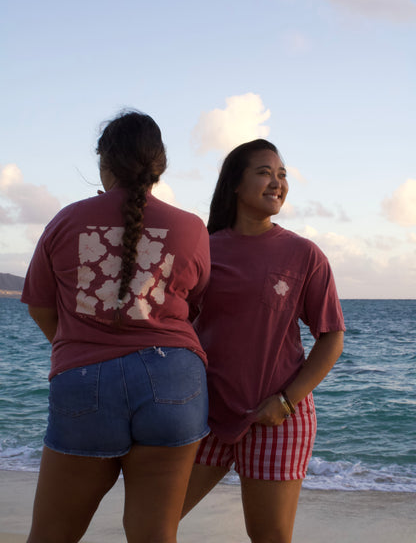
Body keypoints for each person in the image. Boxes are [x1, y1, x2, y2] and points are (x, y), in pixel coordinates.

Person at [21, 110, 211, 543]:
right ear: (159, 164)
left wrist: (75, 348)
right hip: (173, 380)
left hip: (84, 378)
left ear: (104, 164)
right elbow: (196, 305)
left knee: (52, 534)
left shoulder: (66, 222)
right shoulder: (191, 227)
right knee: (154, 535)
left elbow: (39, 306)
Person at [182, 139, 345, 543]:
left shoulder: (304, 254)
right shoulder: (201, 249)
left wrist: (287, 401)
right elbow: (173, 326)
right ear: (234, 184)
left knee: (269, 537)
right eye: (264, 172)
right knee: (154, 522)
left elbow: (331, 338)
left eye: (282, 174)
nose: (277, 182)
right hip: (204, 413)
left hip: (278, 417)